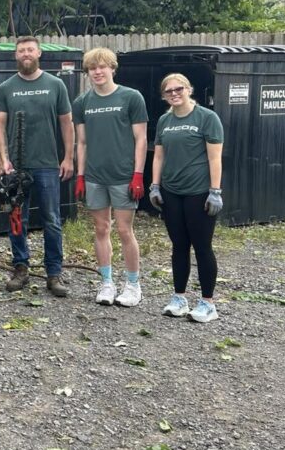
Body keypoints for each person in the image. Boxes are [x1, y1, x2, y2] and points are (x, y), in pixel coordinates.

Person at [0, 36, 74, 297]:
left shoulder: (55, 84)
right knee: (17, 219)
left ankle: (54, 273)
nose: (26, 54)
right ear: (15, 56)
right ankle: (21, 267)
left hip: (48, 165)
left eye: (30, 49)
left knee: (52, 220)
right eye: (21, 51)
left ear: (39, 53)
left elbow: (66, 123)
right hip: (17, 167)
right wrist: (4, 160)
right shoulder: (5, 88)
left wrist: (68, 157)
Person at [72, 48, 148, 307]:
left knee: (126, 230)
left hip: (123, 176)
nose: (97, 71)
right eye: (92, 68)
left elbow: (141, 139)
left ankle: (133, 285)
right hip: (95, 176)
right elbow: (81, 143)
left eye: (102, 66)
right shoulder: (82, 102)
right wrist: (81, 175)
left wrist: (138, 174)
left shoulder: (131, 97)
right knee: (101, 228)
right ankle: (106, 283)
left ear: (112, 69)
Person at [149, 73, 224, 323]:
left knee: (202, 247)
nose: (174, 94)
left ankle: (207, 303)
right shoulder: (164, 121)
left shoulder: (207, 118)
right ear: (164, 96)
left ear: (188, 89)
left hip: (198, 192)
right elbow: (158, 156)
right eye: (168, 91)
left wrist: (215, 191)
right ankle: (179, 298)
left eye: (178, 89)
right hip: (172, 193)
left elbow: (214, 157)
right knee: (179, 246)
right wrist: (155, 186)